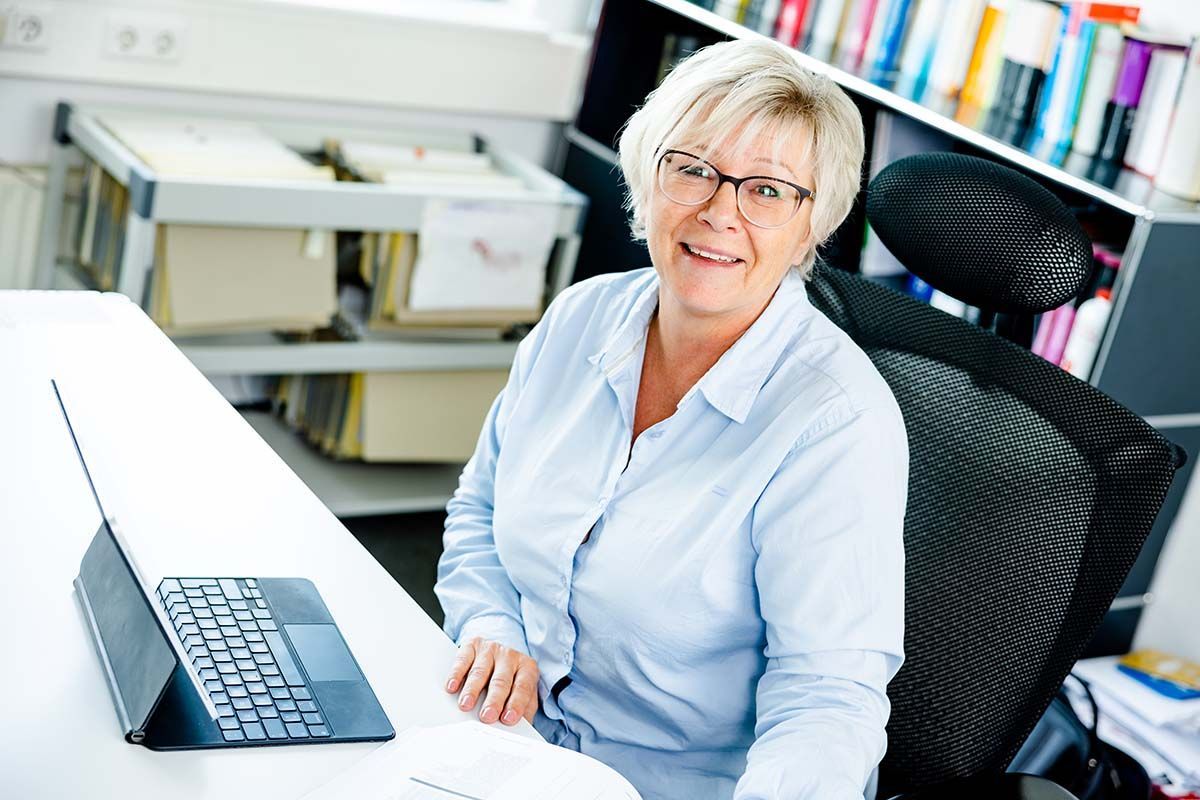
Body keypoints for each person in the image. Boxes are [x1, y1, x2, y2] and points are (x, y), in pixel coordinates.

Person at [434, 37, 908, 800]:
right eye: (691, 169)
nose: (720, 211)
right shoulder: (579, 318)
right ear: (646, 180)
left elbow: (828, 697)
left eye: (769, 190)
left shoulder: (835, 424)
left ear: (812, 225)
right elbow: (480, 508)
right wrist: (493, 626)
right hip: (500, 744)